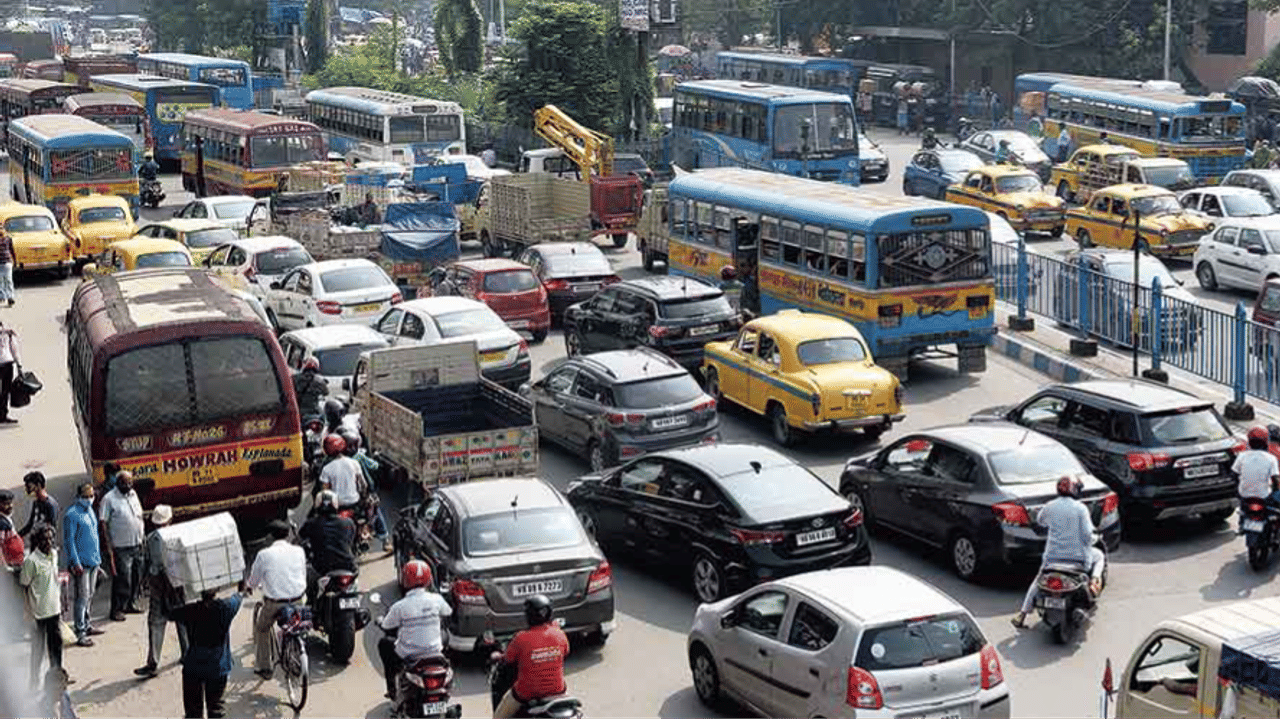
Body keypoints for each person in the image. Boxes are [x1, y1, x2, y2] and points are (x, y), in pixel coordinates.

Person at [1011, 476, 1104, 629]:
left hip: (1052, 559)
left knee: (1038, 580)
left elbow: (1040, 521)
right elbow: (1087, 536)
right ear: (1075, 489)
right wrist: (1091, 540)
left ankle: (1022, 615)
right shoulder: (1080, 508)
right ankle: (1094, 581)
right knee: (1099, 556)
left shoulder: (1049, 506)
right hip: (1077, 561)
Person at [378, 560, 452, 700]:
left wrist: (380, 621)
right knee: (444, 635)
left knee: (384, 643)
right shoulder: (436, 599)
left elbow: (386, 626)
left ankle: (392, 689)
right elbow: (448, 612)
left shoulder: (399, 606)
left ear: (405, 580)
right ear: (429, 578)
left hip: (409, 655)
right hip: (434, 652)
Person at [244, 520, 306, 680]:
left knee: (262, 628)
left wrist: (249, 587)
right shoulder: (299, 551)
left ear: (270, 537)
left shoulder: (264, 555)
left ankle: (265, 667)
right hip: (299, 599)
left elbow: (254, 580)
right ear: (287, 535)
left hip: (275, 603)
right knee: (298, 621)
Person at [493, 595, 570, 719]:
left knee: (498, 717)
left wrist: (498, 656)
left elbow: (507, 660)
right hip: (558, 690)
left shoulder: (521, 638)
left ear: (528, 616)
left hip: (526, 693)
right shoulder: (560, 635)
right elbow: (565, 653)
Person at [135, 504, 188, 679]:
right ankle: (187, 654)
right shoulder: (179, 535)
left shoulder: (150, 539)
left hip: (157, 583)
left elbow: (145, 563)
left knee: (156, 622)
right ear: (170, 520)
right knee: (183, 619)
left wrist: (142, 584)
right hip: (177, 582)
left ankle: (153, 663)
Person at [170, 589, 241, 719]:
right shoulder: (225, 607)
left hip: (194, 667)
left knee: (193, 713)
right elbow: (238, 597)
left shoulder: (190, 610)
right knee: (216, 709)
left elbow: (170, 613)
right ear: (217, 589)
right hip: (218, 667)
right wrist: (242, 588)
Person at [20, 525, 66, 687]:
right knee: (38, 650)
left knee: (56, 647)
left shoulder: (53, 555)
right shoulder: (31, 561)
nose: (48, 541)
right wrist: (28, 613)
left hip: (54, 610)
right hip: (38, 613)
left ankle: (57, 678)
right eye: (44, 539)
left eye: (51, 538)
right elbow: (24, 587)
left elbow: (53, 579)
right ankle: (34, 682)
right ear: (37, 541)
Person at [99, 470, 145, 621]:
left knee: (137, 576)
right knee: (122, 579)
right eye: (125, 482)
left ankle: (131, 604)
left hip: (137, 544)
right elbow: (104, 524)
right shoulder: (109, 499)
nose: (128, 485)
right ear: (118, 483)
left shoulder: (133, 494)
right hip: (121, 547)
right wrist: (109, 547)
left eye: (130, 482)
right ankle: (117, 609)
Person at [299, 490, 356, 607]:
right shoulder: (348, 522)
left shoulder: (312, 523)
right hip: (349, 566)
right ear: (335, 505)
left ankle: (311, 607)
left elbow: (300, 538)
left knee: (308, 580)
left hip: (322, 568)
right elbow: (351, 541)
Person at [64, 483, 103, 646]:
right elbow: (69, 541)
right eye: (86, 496)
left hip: (94, 560)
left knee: (90, 595)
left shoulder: (90, 512)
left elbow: (95, 536)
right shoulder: (72, 515)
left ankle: (87, 624)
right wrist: (75, 562)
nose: (89, 499)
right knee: (82, 597)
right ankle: (80, 631)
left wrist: (99, 559)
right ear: (79, 497)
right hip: (82, 564)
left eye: (91, 496)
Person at [341, 429, 390, 551]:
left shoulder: (337, 460)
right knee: (377, 512)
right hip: (364, 494)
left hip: (345, 496)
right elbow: (374, 466)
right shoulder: (359, 458)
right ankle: (385, 540)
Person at [1234, 427, 1280, 528]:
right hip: (1264, 495)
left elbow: (1234, 474)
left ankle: (1242, 523)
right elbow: (1276, 480)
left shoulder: (1242, 456)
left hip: (1244, 494)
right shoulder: (1271, 458)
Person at [320, 435, 364, 511]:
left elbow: (325, 492)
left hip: (336, 504)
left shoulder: (326, 469)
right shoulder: (354, 463)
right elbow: (363, 485)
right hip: (354, 502)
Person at [18, 471, 59, 539]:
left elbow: (52, 528)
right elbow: (30, 525)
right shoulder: (36, 503)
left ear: (38, 485)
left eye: (29, 487)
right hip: (36, 543)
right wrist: (16, 536)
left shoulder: (50, 504)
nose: (27, 490)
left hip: (45, 544)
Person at [0, 320, 21, 423]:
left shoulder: (8, 333)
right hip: (7, 364)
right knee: (5, 391)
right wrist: (19, 365)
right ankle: (2, 415)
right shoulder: (8, 335)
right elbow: (14, 350)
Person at [0, 229, 14, 307]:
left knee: (3, 281)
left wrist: (14, 260)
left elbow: (11, 250)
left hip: (6, 262)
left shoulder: (8, 239)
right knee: (8, 280)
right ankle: (8, 297)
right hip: (7, 261)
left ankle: (6, 297)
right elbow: (12, 250)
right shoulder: (8, 239)